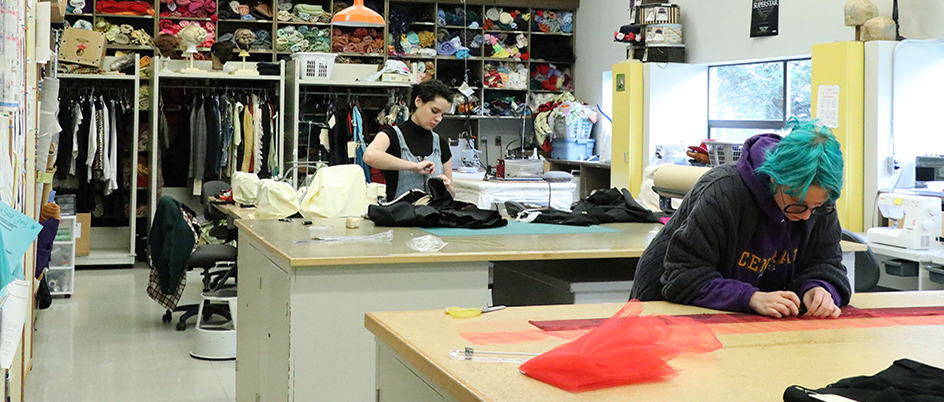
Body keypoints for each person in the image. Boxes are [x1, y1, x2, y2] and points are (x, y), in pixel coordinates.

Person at [630, 119, 850, 319]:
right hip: (664, 311)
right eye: (797, 203)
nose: (805, 216)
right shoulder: (724, 192)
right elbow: (683, 276)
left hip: (747, 318)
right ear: (774, 177)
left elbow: (827, 265)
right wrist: (751, 298)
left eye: (817, 207)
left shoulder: (819, 203)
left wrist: (819, 288)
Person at [364, 79, 455, 202]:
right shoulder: (392, 135)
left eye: (442, 115)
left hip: (433, 216)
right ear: (418, 101)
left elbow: (452, 194)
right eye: (434, 111)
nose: (438, 119)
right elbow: (369, 156)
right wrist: (413, 166)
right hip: (401, 217)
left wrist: (447, 186)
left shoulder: (440, 143)